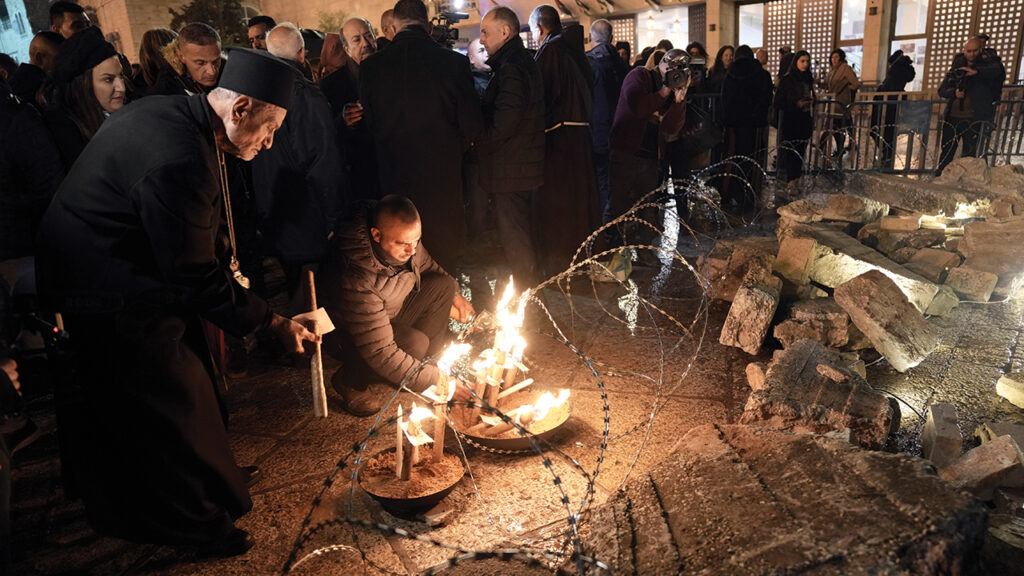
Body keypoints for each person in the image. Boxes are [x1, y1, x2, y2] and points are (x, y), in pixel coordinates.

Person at [36, 48, 316, 557]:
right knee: (173, 400)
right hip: (105, 288)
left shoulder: (175, 112)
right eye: (269, 126)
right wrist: (269, 319)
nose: (271, 141)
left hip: (127, 272)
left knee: (194, 383)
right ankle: (197, 524)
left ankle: (211, 481)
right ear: (239, 109)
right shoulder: (180, 155)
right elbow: (194, 274)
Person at [319, 196, 474, 416]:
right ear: (376, 235)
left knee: (444, 286)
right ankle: (350, 381)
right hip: (348, 335)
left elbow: (428, 265)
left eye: (416, 241)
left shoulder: (406, 243)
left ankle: (422, 374)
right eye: (402, 244)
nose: (411, 250)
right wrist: (438, 381)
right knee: (414, 343)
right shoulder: (356, 276)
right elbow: (380, 351)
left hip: (388, 311)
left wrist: (456, 296)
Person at [359, 0, 483, 272]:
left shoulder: (371, 68)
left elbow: (369, 125)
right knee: (443, 258)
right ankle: (445, 306)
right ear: (427, 25)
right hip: (442, 179)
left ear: (394, 25)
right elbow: (471, 125)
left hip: (394, 179)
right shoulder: (454, 63)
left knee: (400, 260)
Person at [253, 23, 346, 301]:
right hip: (308, 219)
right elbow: (323, 160)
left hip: (276, 217)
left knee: (297, 292)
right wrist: (334, 219)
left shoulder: (255, 90)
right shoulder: (304, 94)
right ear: (302, 54)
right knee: (319, 298)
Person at [529, 5, 600, 275]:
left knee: (559, 204)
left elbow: (544, 98)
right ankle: (581, 258)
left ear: (539, 28)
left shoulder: (551, 51)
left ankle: (561, 261)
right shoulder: (573, 50)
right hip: (580, 135)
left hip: (559, 137)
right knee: (579, 202)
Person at [476, 6, 545, 285]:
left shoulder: (512, 67)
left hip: (512, 168)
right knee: (521, 234)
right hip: (519, 166)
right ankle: (528, 292)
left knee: (516, 236)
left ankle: (527, 298)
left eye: (484, 32)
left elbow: (505, 122)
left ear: (504, 32)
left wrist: (477, 140)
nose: (481, 39)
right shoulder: (516, 61)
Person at [607, 49, 688, 248]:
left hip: (651, 159)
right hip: (626, 153)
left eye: (681, 70)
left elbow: (671, 128)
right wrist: (663, 92)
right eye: (673, 67)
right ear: (663, 64)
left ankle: (645, 252)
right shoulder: (640, 76)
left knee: (648, 211)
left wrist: (678, 102)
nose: (675, 73)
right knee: (620, 207)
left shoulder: (673, 89)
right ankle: (615, 254)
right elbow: (638, 107)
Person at [44, 27, 128, 171]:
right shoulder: (66, 135)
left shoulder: (128, 116)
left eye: (121, 76)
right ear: (84, 85)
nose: (121, 87)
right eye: (108, 79)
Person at [321, 17, 380, 202]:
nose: (365, 44)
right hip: (360, 175)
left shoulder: (393, 71)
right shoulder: (331, 85)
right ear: (346, 49)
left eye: (368, 36)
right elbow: (325, 133)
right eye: (356, 39)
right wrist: (343, 122)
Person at [935, 37, 1004, 174]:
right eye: (968, 51)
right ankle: (942, 174)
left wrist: (977, 74)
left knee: (969, 152)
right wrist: (954, 93)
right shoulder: (957, 66)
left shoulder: (988, 65)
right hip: (953, 117)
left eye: (975, 50)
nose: (971, 54)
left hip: (974, 118)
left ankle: (965, 179)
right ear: (964, 51)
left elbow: (998, 72)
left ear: (981, 50)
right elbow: (942, 89)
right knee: (947, 150)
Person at [720, 45, 773, 209]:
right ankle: (750, 195)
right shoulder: (762, 75)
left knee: (733, 159)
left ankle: (731, 193)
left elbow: (725, 100)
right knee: (753, 158)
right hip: (755, 126)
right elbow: (767, 99)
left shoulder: (731, 74)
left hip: (734, 125)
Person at [588, 19, 630, 221]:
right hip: (623, 131)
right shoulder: (622, 65)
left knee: (601, 181)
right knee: (619, 181)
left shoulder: (589, 64)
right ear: (612, 39)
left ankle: (606, 226)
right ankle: (620, 222)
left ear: (590, 38)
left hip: (598, 132)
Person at [773, 50, 815, 183]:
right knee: (792, 151)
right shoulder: (787, 79)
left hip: (804, 118)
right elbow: (778, 101)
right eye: (802, 61)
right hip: (791, 119)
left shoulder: (807, 79)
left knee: (801, 150)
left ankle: (796, 178)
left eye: (807, 61)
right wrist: (796, 104)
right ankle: (791, 179)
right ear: (796, 62)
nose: (805, 64)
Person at [150, 22, 222, 96]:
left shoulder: (230, 73)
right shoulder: (165, 91)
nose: (212, 72)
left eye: (216, 61)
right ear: (181, 56)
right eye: (201, 63)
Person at [871, 49, 915, 168]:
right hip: (887, 103)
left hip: (887, 104)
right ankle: (887, 153)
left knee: (882, 130)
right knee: (884, 131)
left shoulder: (898, 70)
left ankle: (887, 153)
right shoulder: (900, 70)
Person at [824, 48, 860, 162]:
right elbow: (827, 85)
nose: (834, 60)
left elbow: (855, 84)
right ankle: (841, 147)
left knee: (839, 126)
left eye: (836, 57)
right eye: (832, 57)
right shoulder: (832, 71)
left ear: (841, 58)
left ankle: (840, 149)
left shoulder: (845, 69)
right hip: (833, 103)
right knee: (836, 126)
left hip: (841, 102)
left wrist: (845, 88)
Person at [9, 32, 63, 105]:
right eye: (58, 59)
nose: (64, 63)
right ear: (39, 58)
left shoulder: (14, 85)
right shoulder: (39, 88)